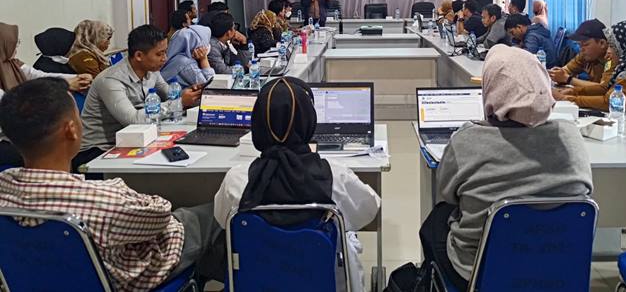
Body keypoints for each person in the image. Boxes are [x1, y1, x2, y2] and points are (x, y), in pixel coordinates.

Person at [0, 78, 225, 290]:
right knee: (218, 211)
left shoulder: (5, 186)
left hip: (53, 280)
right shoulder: (103, 199)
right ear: (71, 129)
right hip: (138, 273)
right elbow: (161, 215)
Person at [420, 45, 592, 289]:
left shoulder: (467, 140)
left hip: (477, 271)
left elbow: (447, 193)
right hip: (558, 270)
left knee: (437, 219)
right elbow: (585, 190)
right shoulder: (570, 136)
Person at [214, 77, 380, 292]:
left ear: (257, 123)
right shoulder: (335, 176)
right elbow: (368, 210)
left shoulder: (237, 179)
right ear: (309, 122)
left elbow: (223, 220)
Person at [77, 25, 201, 168]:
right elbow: (132, 120)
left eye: (165, 52)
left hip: (136, 139)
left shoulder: (151, 71)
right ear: (139, 56)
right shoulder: (111, 80)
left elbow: (170, 94)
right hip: (99, 149)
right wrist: (180, 103)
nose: (164, 59)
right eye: (159, 54)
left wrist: (193, 94)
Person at [1, 22, 91, 167]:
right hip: (6, 137)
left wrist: (75, 78)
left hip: (18, 132)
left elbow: (38, 75)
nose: (17, 46)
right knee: (48, 147)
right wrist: (66, 84)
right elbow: (9, 104)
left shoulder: (12, 64)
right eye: (14, 42)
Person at [549, 19, 616, 96]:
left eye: (585, 44)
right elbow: (566, 70)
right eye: (579, 45)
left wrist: (568, 79)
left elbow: (603, 88)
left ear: (602, 43)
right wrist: (556, 73)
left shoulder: (611, 58)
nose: (581, 49)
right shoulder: (585, 54)